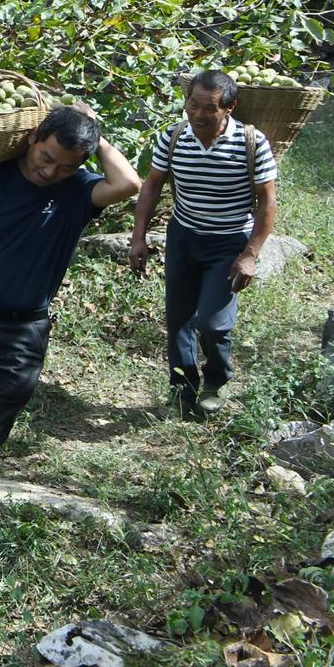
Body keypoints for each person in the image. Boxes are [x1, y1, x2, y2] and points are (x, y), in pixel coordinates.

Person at [0, 106, 142, 610]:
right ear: (31, 137)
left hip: (18, 339)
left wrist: (96, 132)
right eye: (47, 158)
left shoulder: (78, 193)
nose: (52, 172)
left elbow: (129, 183)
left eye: (65, 165)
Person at [129, 69, 277, 416]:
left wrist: (250, 254)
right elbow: (152, 186)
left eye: (208, 109)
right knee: (179, 317)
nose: (198, 115)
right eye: (192, 105)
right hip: (184, 237)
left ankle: (216, 379)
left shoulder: (251, 143)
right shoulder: (175, 136)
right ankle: (183, 389)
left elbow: (267, 202)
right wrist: (138, 237)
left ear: (230, 107)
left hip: (228, 243)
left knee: (213, 322)